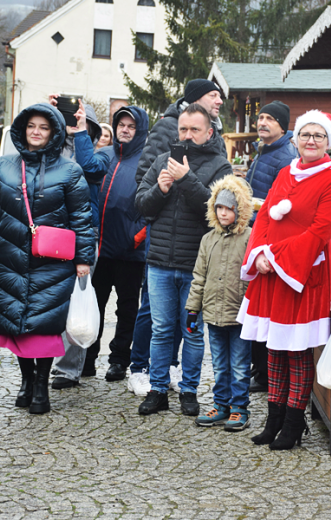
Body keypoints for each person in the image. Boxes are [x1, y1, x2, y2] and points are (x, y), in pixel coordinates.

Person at [238, 110, 331, 450]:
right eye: (305, 134)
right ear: (296, 138)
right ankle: (273, 420)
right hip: (272, 272)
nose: (311, 141)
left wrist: (276, 256)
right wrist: (258, 255)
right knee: (273, 348)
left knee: (297, 351)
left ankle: (293, 423)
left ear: (328, 142)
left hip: (304, 271)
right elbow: (265, 218)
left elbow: (321, 230)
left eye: (318, 136)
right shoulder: (286, 172)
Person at [0, 103, 94, 415]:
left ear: (54, 132)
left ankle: (41, 385)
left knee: (43, 326)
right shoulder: (4, 166)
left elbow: (82, 217)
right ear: (22, 129)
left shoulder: (70, 171)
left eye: (43, 127)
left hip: (52, 261)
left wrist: (84, 258)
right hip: (10, 256)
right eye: (32, 126)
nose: (36, 132)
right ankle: (26, 380)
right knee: (17, 324)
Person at [135, 103, 233, 416]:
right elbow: (141, 205)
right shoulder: (164, 160)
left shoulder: (221, 166)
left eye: (194, 130)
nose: (187, 135)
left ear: (209, 131)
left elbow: (218, 213)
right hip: (160, 262)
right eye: (182, 129)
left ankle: (189, 391)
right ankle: (157, 389)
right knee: (162, 330)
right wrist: (161, 189)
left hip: (197, 266)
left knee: (191, 332)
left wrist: (187, 178)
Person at [49, 103, 149, 388]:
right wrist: (79, 129)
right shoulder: (104, 155)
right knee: (94, 304)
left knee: (128, 308)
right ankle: (88, 358)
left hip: (131, 251)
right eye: (121, 125)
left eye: (131, 126)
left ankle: (119, 359)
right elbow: (86, 167)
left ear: (139, 129)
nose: (125, 130)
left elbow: (153, 204)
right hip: (99, 249)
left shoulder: (147, 161)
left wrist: (138, 237)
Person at [185, 175, 253, 431]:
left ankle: (239, 407)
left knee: (239, 364)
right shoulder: (208, 240)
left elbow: (253, 277)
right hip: (213, 314)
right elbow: (199, 277)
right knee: (220, 364)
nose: (224, 213)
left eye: (229, 208)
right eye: (220, 208)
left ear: (240, 210)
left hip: (239, 315)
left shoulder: (249, 238)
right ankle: (221, 404)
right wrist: (193, 308)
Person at [243, 100, 297, 394]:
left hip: (269, 242)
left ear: (282, 125)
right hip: (255, 234)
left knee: (265, 309)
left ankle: (264, 375)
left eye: (269, 119)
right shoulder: (262, 151)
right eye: (260, 118)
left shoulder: (285, 157)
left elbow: (281, 205)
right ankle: (258, 370)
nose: (262, 123)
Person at [135, 78, 225, 184]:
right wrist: (163, 195)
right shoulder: (166, 127)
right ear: (195, 99)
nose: (220, 101)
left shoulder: (216, 133)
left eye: (219, 96)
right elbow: (145, 176)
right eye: (212, 96)